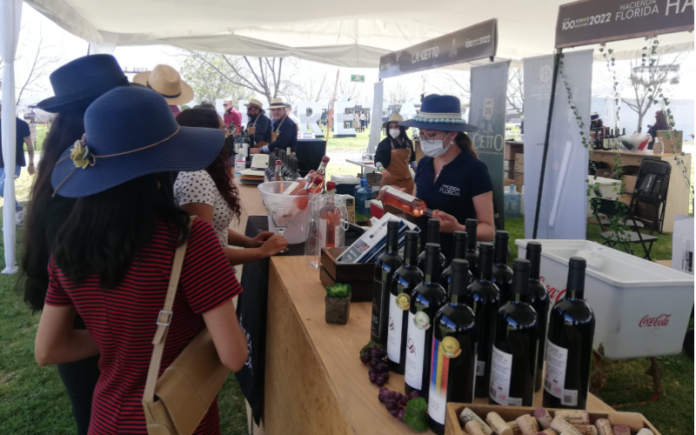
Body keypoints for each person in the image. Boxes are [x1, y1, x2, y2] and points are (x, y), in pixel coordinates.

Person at [34, 85, 249, 435]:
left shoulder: (67, 247)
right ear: (164, 166)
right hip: (176, 422)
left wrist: (118, 339)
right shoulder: (190, 239)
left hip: (105, 419)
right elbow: (234, 355)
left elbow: (48, 349)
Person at [22, 54, 130, 435]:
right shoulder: (71, 188)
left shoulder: (86, 170)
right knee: (97, 417)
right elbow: (76, 278)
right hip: (87, 333)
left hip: (96, 330)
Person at [174, 108, 288, 264]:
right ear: (206, 135)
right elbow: (203, 252)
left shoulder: (202, 170)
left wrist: (250, 242)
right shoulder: (195, 177)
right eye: (223, 129)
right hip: (210, 275)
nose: (227, 134)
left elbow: (215, 229)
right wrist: (261, 252)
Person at [399, 94, 495, 261]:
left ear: (452, 134)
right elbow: (416, 213)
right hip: (425, 257)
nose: (425, 141)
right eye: (422, 135)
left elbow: (488, 230)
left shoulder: (474, 170)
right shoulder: (424, 164)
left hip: (459, 263)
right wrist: (402, 201)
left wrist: (457, 228)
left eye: (432, 135)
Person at [0, 103, 35, 226]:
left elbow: (29, 145)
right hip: (0, 163)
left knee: (3, 188)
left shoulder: (21, 124)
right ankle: (17, 213)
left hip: (14, 162)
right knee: (4, 189)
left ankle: (19, 211)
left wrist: (31, 163)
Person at [375, 113, 416, 193]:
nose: (393, 129)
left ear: (402, 128)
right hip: (390, 182)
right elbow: (377, 160)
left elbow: (412, 160)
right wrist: (382, 170)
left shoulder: (408, 143)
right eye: (391, 127)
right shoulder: (384, 143)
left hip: (407, 183)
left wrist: (417, 174)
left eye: (396, 126)